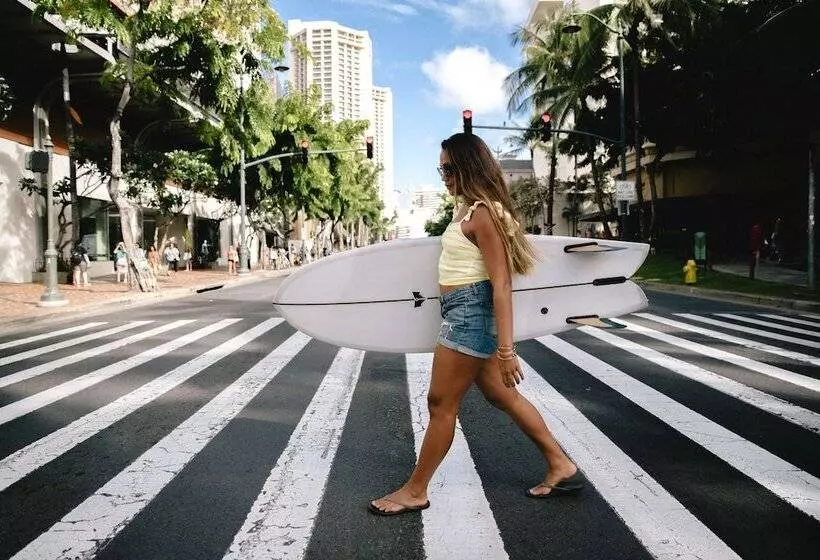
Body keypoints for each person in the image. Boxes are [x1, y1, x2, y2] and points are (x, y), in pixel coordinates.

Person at [368, 133, 583, 516]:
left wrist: (506, 350)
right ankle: (560, 463)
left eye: (450, 168)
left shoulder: (483, 214)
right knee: (503, 396)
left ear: (470, 167)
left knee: (440, 403)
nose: (444, 176)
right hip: (460, 310)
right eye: (441, 168)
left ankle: (416, 490)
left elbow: (501, 283)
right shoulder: (467, 210)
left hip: (468, 313)